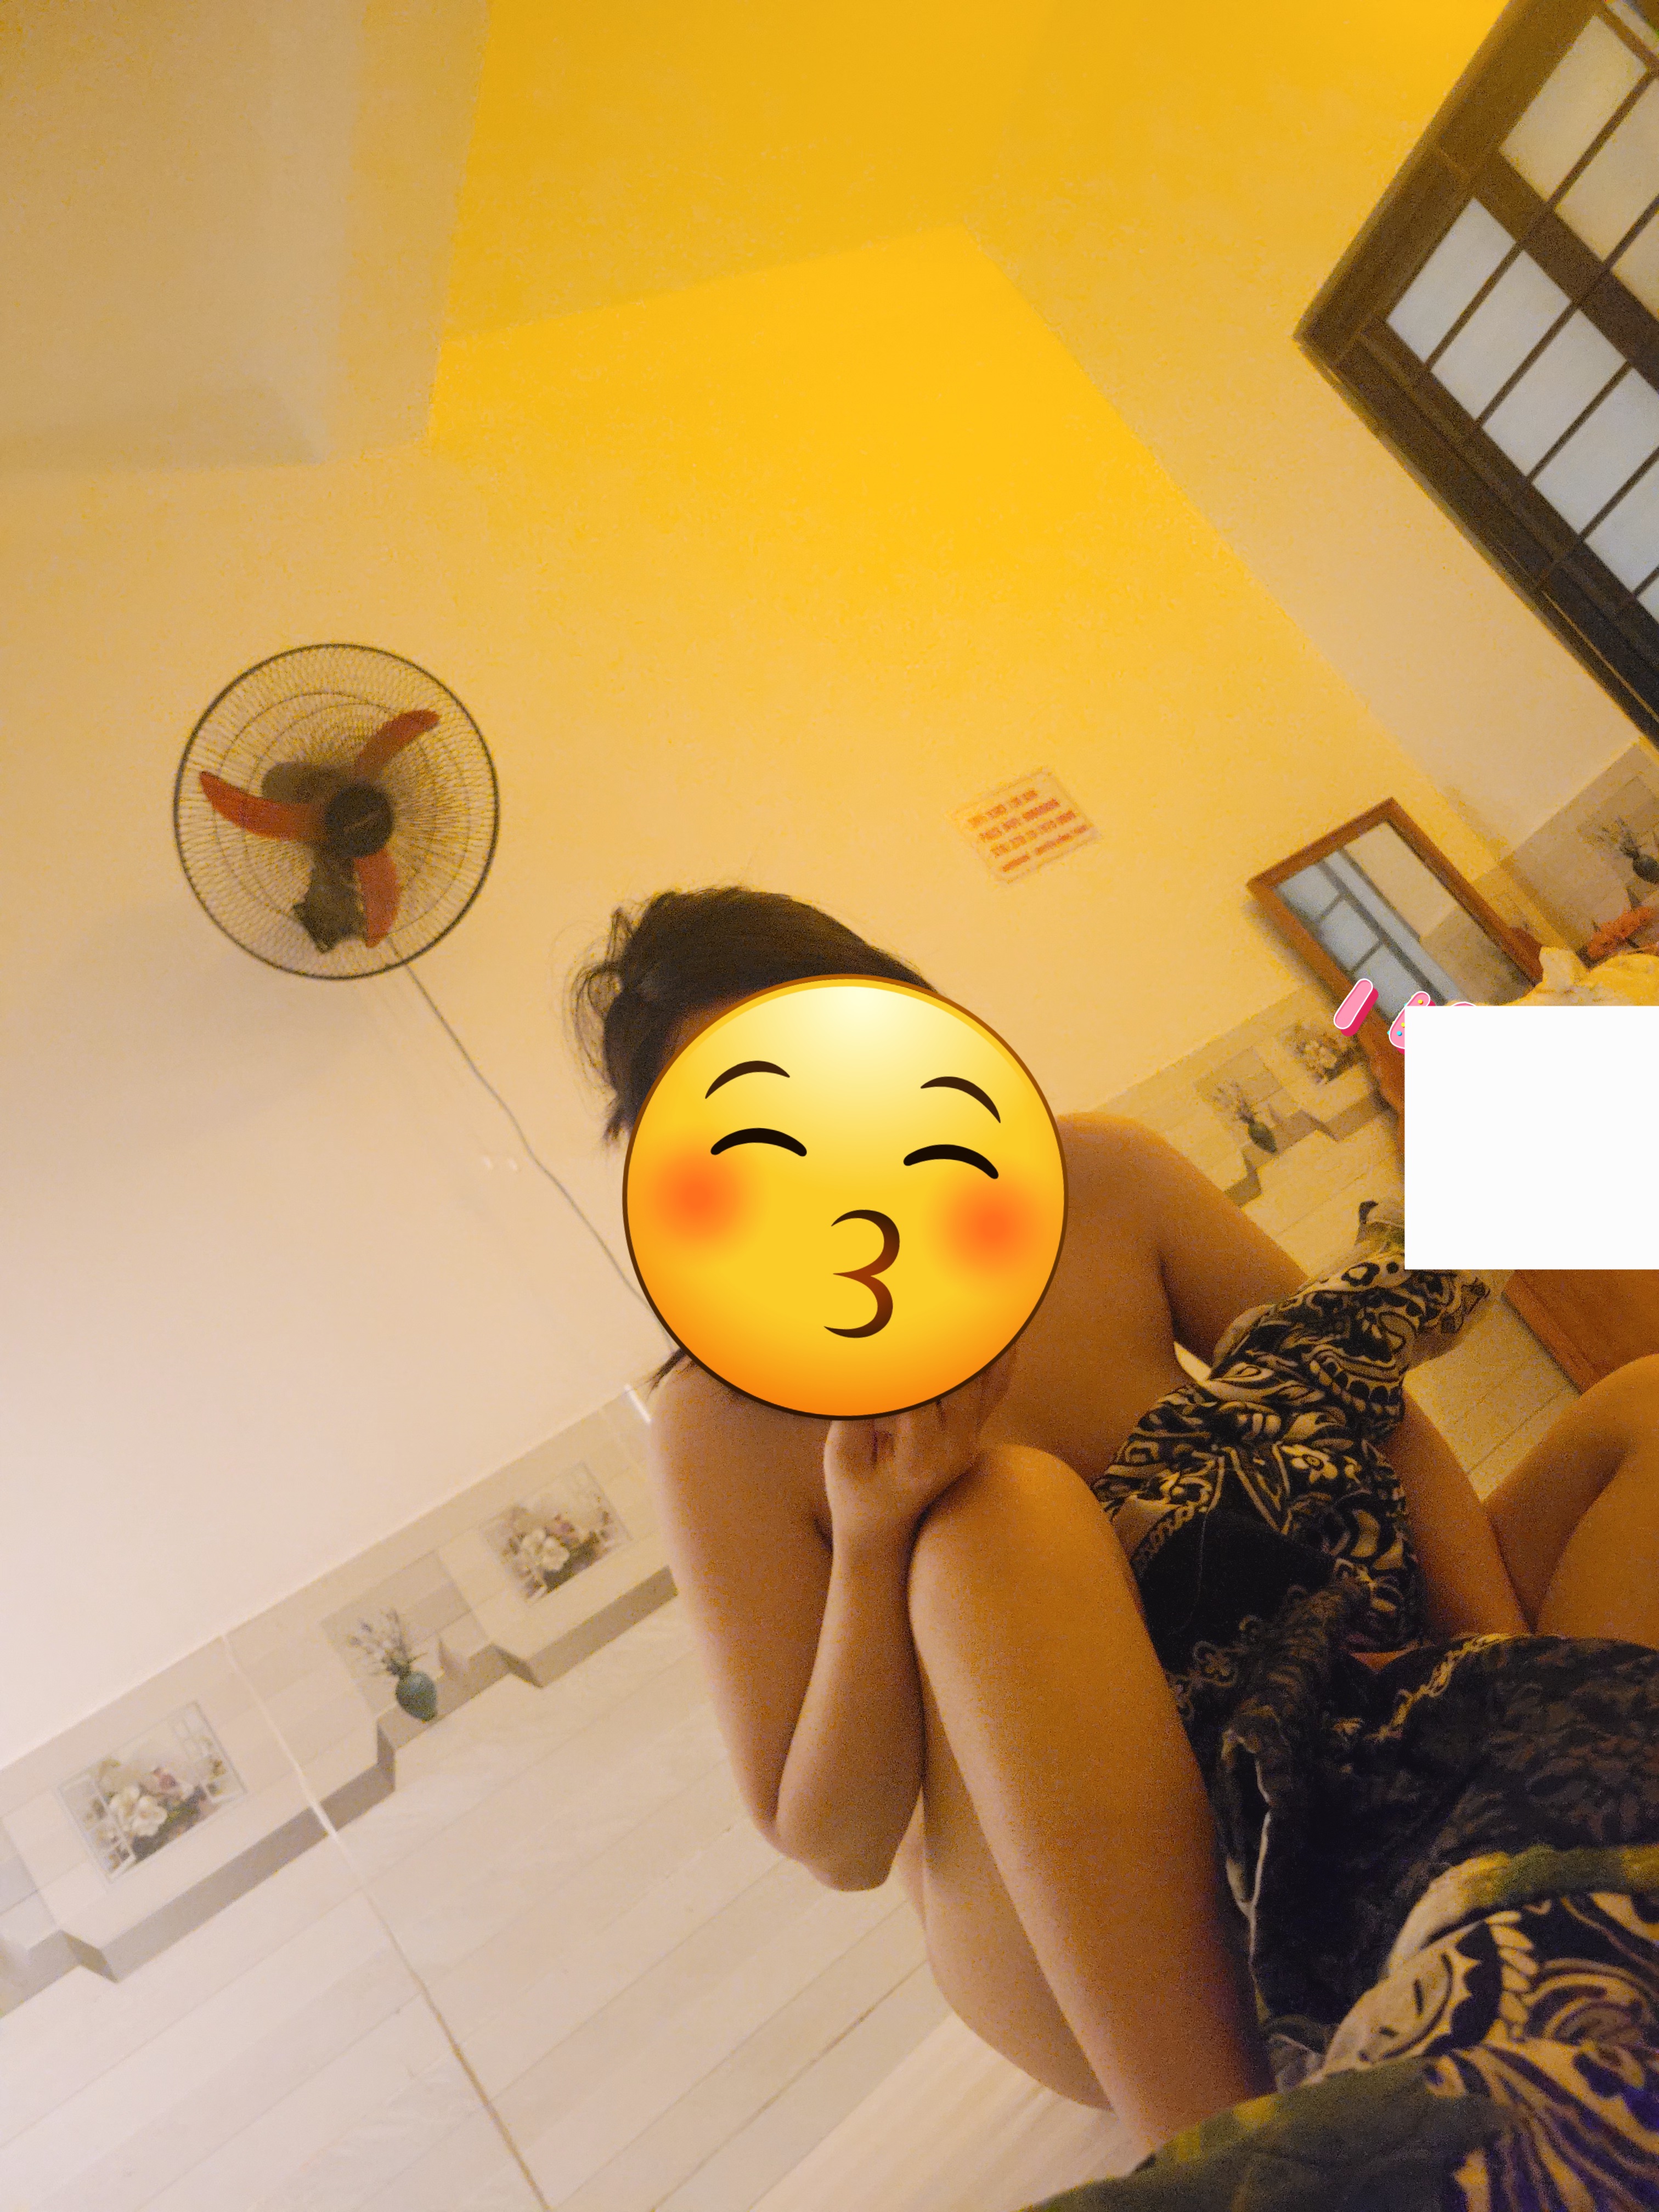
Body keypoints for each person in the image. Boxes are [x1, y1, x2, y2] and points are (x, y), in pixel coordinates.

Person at [568, 885, 1659, 2172]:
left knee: (1643, 1406)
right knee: (1001, 1517)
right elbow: (837, 1846)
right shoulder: (720, 1420)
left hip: (1335, 1720)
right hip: (1090, 1924)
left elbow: (1351, 1386)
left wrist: (1504, 1682)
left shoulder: (1098, 1177)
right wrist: (875, 1541)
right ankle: (1232, 2168)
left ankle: (1587, 1822)